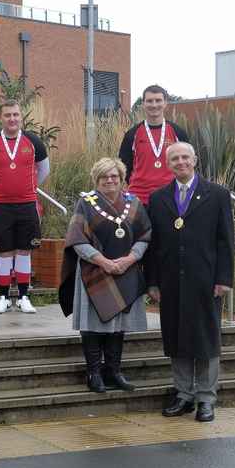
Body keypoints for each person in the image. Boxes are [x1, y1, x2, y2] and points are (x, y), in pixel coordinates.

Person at [146, 142, 234, 423]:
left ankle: (206, 399)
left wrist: (223, 278)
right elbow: (153, 245)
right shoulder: (158, 198)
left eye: (185, 157)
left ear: (195, 160)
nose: (181, 162)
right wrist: (153, 282)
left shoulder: (217, 194)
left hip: (206, 280)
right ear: (168, 164)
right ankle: (183, 395)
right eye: (175, 158)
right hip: (171, 281)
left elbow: (226, 240)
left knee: (206, 340)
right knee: (176, 337)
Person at [59, 158, 151, 393]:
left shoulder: (134, 202)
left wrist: (130, 259)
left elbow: (146, 235)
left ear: (121, 179)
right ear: (96, 180)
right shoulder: (86, 203)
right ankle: (94, 373)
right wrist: (104, 262)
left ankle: (114, 371)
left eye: (114, 176)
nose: (110, 180)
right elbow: (77, 239)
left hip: (125, 271)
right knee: (92, 324)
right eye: (104, 177)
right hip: (94, 272)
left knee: (119, 324)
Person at [0, 100, 50, 315]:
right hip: (0, 205)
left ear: (21, 117)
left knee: (24, 251)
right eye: (8, 115)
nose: (12, 119)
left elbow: (44, 170)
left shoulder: (33, 141)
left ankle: (24, 296)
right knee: (4, 253)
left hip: (27, 204)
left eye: (16, 115)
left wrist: (28, 186)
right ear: (1, 117)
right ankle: (3, 297)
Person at [118, 84, 189, 205]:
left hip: (170, 197)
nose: (154, 105)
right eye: (150, 101)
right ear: (143, 104)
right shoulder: (132, 134)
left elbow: (187, 164)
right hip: (139, 199)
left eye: (158, 100)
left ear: (165, 103)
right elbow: (123, 167)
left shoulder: (178, 132)